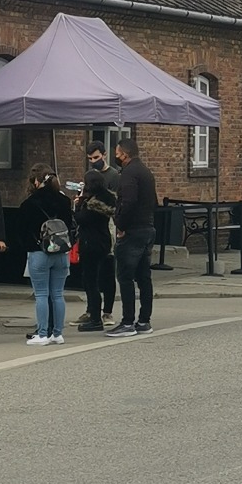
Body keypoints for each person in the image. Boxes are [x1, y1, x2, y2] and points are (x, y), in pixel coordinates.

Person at [106, 137, 157, 336]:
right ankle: (144, 320)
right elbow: (153, 200)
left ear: (125, 154)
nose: (116, 157)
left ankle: (127, 321)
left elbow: (128, 202)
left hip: (133, 230)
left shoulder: (128, 174)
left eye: (117, 154)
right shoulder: (145, 171)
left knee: (125, 276)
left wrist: (120, 225)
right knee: (144, 277)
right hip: (147, 227)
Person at [20, 167, 75, 346]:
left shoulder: (30, 203)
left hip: (39, 252)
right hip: (61, 252)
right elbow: (72, 227)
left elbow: (22, 231)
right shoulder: (65, 201)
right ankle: (57, 333)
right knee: (58, 294)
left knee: (42, 294)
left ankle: (42, 334)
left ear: (38, 182)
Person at [75, 145, 117, 332]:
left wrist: (77, 205)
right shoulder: (108, 199)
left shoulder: (91, 204)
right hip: (105, 241)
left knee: (91, 281)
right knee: (106, 276)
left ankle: (95, 316)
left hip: (91, 244)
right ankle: (100, 312)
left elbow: (80, 220)